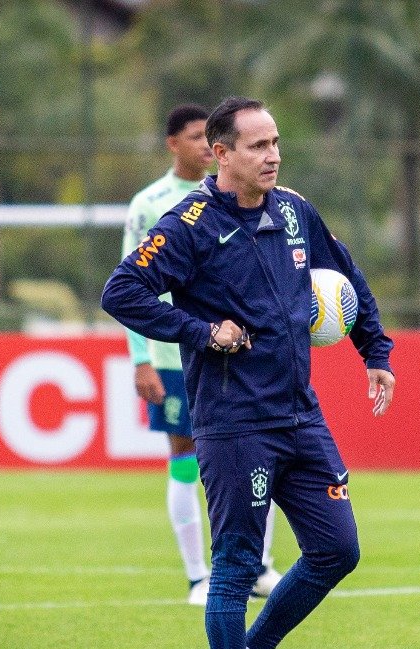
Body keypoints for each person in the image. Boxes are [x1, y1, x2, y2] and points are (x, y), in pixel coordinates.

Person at [101, 96, 395, 649]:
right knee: (234, 565)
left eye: (276, 142)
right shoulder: (190, 225)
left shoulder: (293, 210)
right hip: (235, 424)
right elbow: (121, 292)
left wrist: (375, 351)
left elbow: (344, 274)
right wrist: (202, 331)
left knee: (337, 550)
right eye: (258, 146)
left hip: (299, 414)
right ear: (221, 153)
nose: (274, 155)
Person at [121, 103, 282, 607]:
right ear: (175, 144)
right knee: (185, 462)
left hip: (243, 354)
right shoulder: (150, 205)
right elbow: (129, 286)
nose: (198, 145)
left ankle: (259, 567)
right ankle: (197, 576)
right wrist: (141, 359)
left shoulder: (246, 195)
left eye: (202, 137)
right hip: (175, 358)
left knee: (266, 456)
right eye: (191, 137)